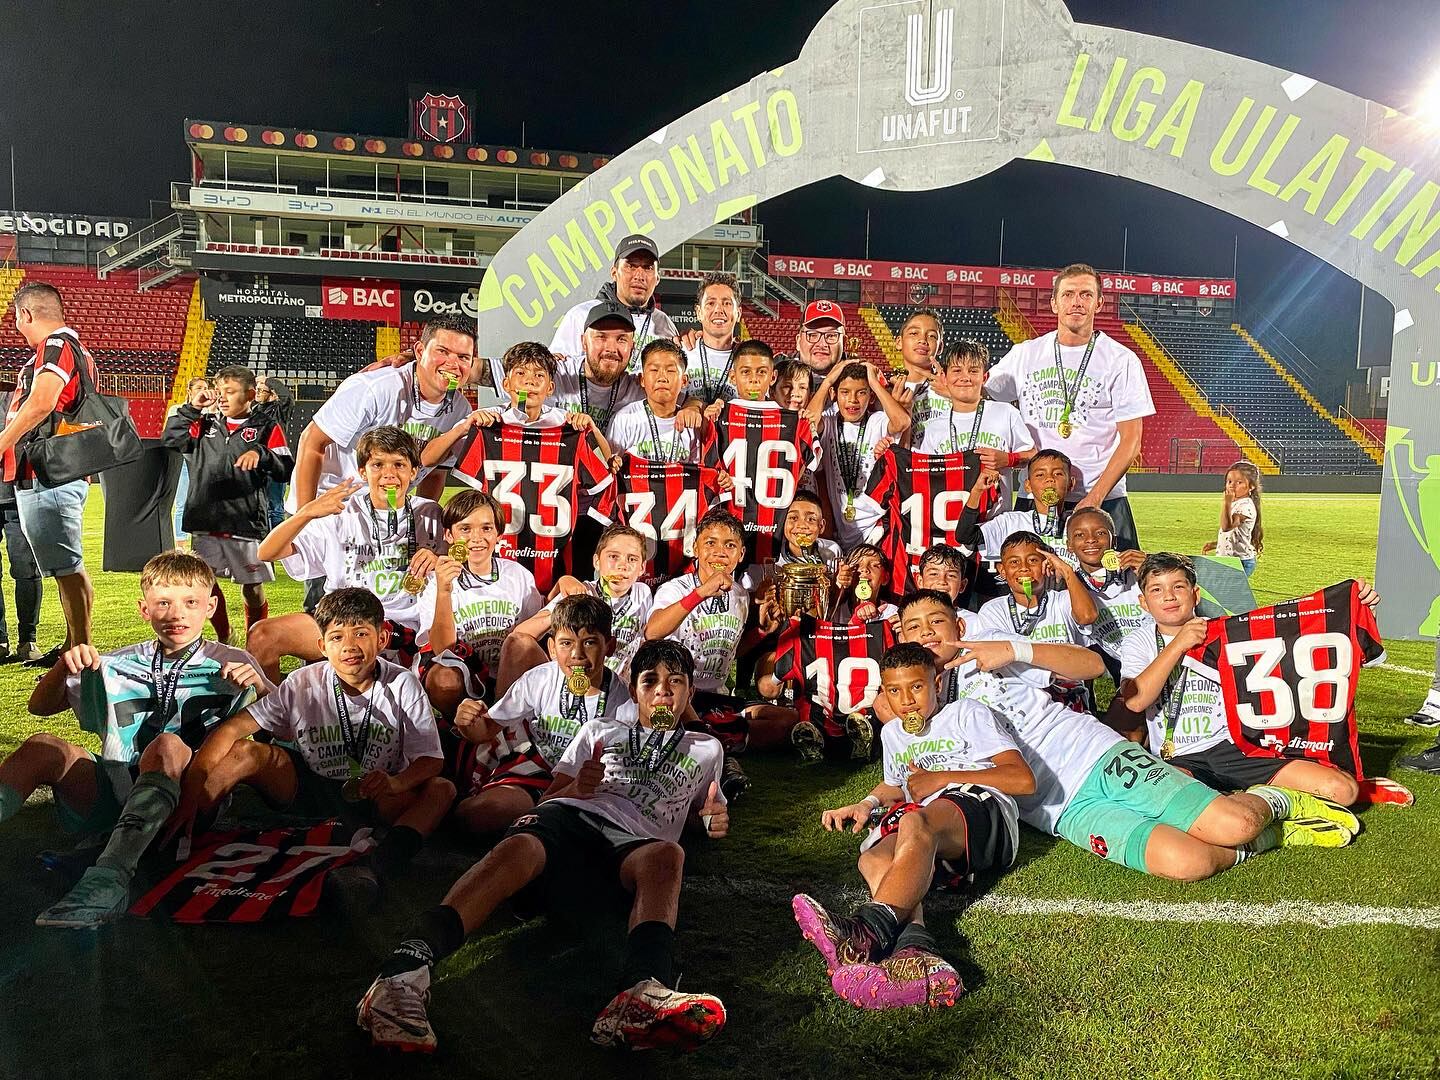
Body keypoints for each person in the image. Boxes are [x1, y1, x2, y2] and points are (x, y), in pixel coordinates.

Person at [356, 640, 729, 1054]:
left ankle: (641, 994)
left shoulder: (707, 748)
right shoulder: (601, 730)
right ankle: (402, 973)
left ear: (690, 693)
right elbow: (551, 795)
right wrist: (579, 785)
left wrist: (712, 820)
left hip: (634, 846)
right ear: (635, 688)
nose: (663, 691)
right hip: (571, 818)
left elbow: (701, 812)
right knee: (521, 847)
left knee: (668, 854)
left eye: (675, 682)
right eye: (650, 681)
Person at [949, 634, 1360, 878]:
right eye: (915, 627)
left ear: (959, 625)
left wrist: (1012, 649)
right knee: (1189, 862)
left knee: (1235, 824)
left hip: (1099, 756)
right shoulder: (908, 707)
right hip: (1060, 810)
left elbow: (1092, 665)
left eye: (936, 621)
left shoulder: (990, 656)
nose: (928, 633)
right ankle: (1277, 831)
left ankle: (1279, 799)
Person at [9, 551, 271, 927]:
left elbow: (284, 723)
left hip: (190, 803)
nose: (176, 614)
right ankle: (115, 850)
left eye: (190, 603)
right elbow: (39, 707)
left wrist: (259, 687)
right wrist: (64, 664)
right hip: (116, 790)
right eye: (163, 603)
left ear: (211, 607)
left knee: (167, 744)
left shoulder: (232, 659)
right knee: (43, 747)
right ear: (144, 609)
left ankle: (108, 882)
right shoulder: (117, 662)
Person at [794, 642, 1034, 1009]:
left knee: (916, 819)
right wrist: (866, 803)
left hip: (985, 815)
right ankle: (917, 952)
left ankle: (864, 931)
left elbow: (1022, 780)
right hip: (926, 828)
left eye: (916, 687)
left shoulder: (966, 713)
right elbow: (896, 784)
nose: (906, 699)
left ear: (937, 684)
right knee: (872, 859)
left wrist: (942, 777)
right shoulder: (893, 734)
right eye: (894, 690)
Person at [172, 588, 454, 895]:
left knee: (442, 789)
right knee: (243, 752)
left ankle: (383, 861)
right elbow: (231, 730)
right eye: (337, 637)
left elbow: (431, 759)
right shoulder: (301, 682)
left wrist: (396, 783)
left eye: (361, 634)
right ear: (322, 645)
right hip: (310, 785)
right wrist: (191, 791)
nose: (350, 646)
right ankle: (181, 829)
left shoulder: (402, 683)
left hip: (377, 791)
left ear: (382, 639)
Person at [1113, 553, 1364, 809]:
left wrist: (1356, 609)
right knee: (1166, 804)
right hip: (1180, 756)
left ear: (1196, 594)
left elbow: (1300, 636)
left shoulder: (1228, 632)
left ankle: (1252, 800)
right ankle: (1256, 803)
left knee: (1342, 790)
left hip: (1237, 747)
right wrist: (1178, 645)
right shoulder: (1139, 641)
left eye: (1178, 586)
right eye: (1157, 589)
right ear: (1143, 602)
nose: (1169, 596)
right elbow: (1135, 701)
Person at [289, 313, 474, 610]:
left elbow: (435, 474)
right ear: (419, 351)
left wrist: (421, 532)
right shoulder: (376, 387)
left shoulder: (460, 409)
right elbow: (312, 442)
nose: (453, 363)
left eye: (463, 356)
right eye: (442, 351)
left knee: (386, 599)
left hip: (388, 509)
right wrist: (308, 514)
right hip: (335, 504)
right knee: (329, 604)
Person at [249, 427, 445, 682]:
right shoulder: (339, 512)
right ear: (363, 471)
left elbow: (464, 558)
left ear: (414, 471)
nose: (389, 474)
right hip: (343, 621)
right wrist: (306, 513)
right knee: (263, 636)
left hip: (408, 626)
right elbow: (267, 552)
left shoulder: (430, 513)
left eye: (399, 464)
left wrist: (440, 558)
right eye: (378, 465)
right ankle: (274, 717)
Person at [986, 264, 1154, 550]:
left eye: (1086, 294)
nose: (1076, 302)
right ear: (1054, 303)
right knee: (1031, 589)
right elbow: (976, 394)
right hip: (1036, 497)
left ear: (1099, 303)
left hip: (1099, 498)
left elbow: (1131, 441)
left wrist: (1095, 498)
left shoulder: (1121, 360)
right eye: (1068, 294)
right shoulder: (1025, 354)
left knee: (1114, 589)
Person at [446, 594, 633, 835]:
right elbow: (486, 730)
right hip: (535, 768)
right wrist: (467, 722)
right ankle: (537, 816)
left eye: (589, 642)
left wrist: (569, 791)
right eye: (566, 643)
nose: (577, 654)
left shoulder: (623, 702)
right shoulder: (541, 678)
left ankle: (537, 821)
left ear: (609, 646)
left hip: (581, 784)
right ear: (552, 648)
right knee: (477, 815)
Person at [0, 281, 97, 664]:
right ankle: (76, 646)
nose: (17, 327)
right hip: (55, 473)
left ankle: (81, 651)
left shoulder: (55, 345)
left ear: (26, 314)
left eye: (17, 319)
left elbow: (42, 402)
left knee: (67, 569)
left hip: (48, 473)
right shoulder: (72, 347)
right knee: (66, 567)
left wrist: (3, 441)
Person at [162, 364, 293, 642]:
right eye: (219, 391)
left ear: (249, 394)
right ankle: (224, 636)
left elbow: (286, 468)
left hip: (243, 522)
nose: (221, 397)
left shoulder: (266, 427)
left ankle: (255, 640)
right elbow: (171, 439)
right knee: (203, 584)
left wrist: (263, 455)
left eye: (229, 392)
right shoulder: (204, 424)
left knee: (253, 587)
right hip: (205, 520)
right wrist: (192, 409)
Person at [415, 489, 541, 719]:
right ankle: (456, 730)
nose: (476, 538)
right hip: (464, 674)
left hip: (506, 673)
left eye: (486, 528)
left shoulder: (518, 575)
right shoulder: (435, 581)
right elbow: (443, 649)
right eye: (465, 529)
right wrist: (444, 590)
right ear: (449, 535)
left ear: (498, 534)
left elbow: (530, 644)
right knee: (444, 679)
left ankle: (506, 725)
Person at [503, 522, 654, 688]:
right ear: (596, 561)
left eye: (632, 559)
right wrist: (566, 610)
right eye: (613, 556)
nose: (622, 565)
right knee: (517, 643)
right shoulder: (581, 591)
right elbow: (520, 636)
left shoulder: (644, 594)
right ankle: (498, 712)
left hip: (616, 689)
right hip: (568, 682)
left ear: (642, 568)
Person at [915, 340, 1034, 508]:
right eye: (957, 371)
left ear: (984, 377)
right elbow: (922, 476)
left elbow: (1032, 455)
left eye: (973, 371)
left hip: (995, 524)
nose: (965, 378)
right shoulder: (933, 427)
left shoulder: (1006, 413)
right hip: (949, 523)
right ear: (944, 377)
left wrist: (1009, 459)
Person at [805, 360, 908, 549]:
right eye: (845, 392)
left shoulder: (877, 421)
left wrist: (875, 384)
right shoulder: (828, 422)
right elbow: (807, 423)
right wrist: (828, 381)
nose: (853, 400)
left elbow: (902, 422)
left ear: (871, 397)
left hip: (876, 524)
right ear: (834, 395)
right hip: (842, 527)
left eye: (861, 392)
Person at [549, 234, 679, 371]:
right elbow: (555, 374)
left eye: (648, 268)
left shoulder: (664, 323)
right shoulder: (581, 316)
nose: (639, 276)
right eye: (631, 266)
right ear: (614, 272)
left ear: (657, 278)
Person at [553, 301, 648, 435]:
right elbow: (516, 401)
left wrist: (689, 407)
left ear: (632, 347)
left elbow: (682, 401)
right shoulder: (555, 374)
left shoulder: (640, 389)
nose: (611, 349)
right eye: (601, 337)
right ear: (584, 342)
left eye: (621, 339)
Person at [606, 340, 702, 463]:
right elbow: (611, 467)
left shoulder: (692, 424)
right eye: (654, 370)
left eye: (671, 371)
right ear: (642, 379)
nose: (662, 378)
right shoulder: (624, 419)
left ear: (683, 381)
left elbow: (697, 474)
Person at [0, 474, 43, 662]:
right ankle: (0, 640)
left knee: (26, 567)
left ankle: (28, 639)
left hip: (20, 491)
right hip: (16, 490)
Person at [167, 376, 212, 548]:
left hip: (204, 462)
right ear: (189, 391)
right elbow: (175, 434)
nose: (203, 390)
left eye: (205, 387)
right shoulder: (176, 409)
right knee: (182, 503)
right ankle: (181, 545)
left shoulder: (211, 412)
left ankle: (203, 544)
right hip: (183, 461)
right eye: (199, 387)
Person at [684, 271, 741, 405]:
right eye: (710, 303)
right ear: (698, 312)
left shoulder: (749, 360)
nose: (718, 310)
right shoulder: (680, 353)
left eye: (727, 303)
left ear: (738, 313)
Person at [1203, 461, 1264, 575]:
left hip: (1240, 561)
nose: (1232, 485)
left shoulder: (1246, 506)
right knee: (1223, 591)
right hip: (1228, 560)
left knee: (1228, 592)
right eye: (1229, 481)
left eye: (1239, 482)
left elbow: (1227, 527)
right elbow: (1234, 536)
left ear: (1251, 486)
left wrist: (1226, 503)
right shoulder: (1236, 503)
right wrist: (1217, 544)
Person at [254, 375, 294, 530]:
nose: (257, 392)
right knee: (258, 507)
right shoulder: (255, 410)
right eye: (256, 389)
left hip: (276, 463)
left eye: (261, 390)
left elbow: (287, 396)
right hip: (258, 464)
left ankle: (278, 544)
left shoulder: (280, 409)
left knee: (275, 508)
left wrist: (268, 380)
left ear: (272, 394)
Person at [793, 299, 847, 377]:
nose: (822, 344)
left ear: (844, 343)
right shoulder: (775, 375)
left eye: (831, 335)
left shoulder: (861, 379)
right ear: (798, 342)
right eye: (813, 335)